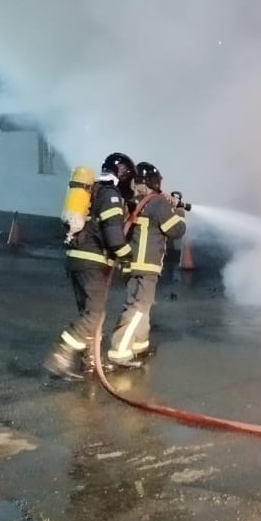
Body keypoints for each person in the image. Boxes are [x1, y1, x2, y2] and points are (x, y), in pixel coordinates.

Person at [43, 152, 136, 381]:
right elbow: (114, 236)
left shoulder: (93, 189)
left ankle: (91, 361)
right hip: (92, 262)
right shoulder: (110, 195)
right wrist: (127, 256)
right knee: (93, 315)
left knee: (90, 313)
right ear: (122, 173)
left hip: (76, 259)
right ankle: (60, 355)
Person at [105, 160, 187, 367]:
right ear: (154, 181)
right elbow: (176, 230)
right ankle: (119, 351)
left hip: (130, 265)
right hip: (146, 265)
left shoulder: (133, 200)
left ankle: (139, 345)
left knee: (141, 306)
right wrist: (177, 210)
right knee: (139, 307)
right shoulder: (157, 203)